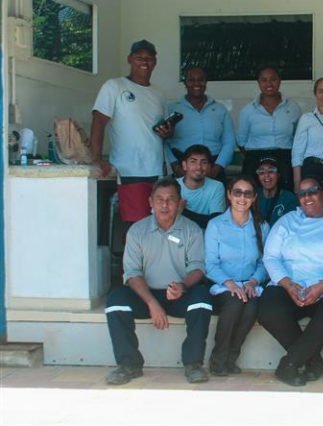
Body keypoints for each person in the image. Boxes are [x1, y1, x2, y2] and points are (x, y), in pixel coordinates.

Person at [104, 178, 211, 385]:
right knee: (116, 300)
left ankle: (193, 364)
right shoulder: (137, 231)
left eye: (171, 199)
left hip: (179, 293)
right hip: (146, 295)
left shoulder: (192, 230)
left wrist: (183, 286)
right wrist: (152, 303)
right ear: (150, 202)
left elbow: (198, 267)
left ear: (180, 202)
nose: (165, 205)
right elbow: (132, 273)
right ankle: (129, 365)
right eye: (159, 199)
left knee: (202, 299)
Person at [258, 177, 323, 387]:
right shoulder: (287, 221)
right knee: (268, 310)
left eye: (312, 191)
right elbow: (271, 257)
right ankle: (312, 360)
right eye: (302, 194)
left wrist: (322, 285)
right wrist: (287, 283)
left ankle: (290, 363)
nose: (307, 197)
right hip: (289, 286)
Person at [91, 40, 172, 223]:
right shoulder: (115, 86)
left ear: (155, 62)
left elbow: (163, 131)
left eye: (149, 58)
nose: (144, 61)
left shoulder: (160, 94)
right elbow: (98, 122)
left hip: (157, 170)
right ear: (129, 59)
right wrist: (97, 158)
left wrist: (167, 132)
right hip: (129, 170)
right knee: (135, 227)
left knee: (160, 225)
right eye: (139, 57)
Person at [205, 175, 269, 376]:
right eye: (237, 192)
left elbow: (265, 261)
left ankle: (231, 357)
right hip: (223, 285)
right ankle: (218, 356)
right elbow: (210, 264)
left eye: (247, 193)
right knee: (234, 304)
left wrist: (253, 281)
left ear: (254, 197)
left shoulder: (261, 225)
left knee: (251, 308)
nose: (242, 198)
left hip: (250, 284)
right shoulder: (216, 225)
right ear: (229, 195)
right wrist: (231, 284)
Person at [237, 66, 302, 191]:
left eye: (273, 79)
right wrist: (256, 157)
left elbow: (298, 137)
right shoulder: (248, 110)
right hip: (255, 158)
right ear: (258, 82)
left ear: (280, 81)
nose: (269, 83)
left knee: (285, 196)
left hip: (285, 158)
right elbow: (241, 141)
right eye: (264, 80)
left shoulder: (293, 107)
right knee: (252, 197)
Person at [168, 67, 235, 182]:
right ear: (185, 83)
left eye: (200, 79)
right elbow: (164, 141)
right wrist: (175, 167)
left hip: (214, 165)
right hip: (182, 167)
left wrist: (216, 168)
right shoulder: (172, 109)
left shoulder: (220, 109)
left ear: (206, 82)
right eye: (191, 80)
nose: (196, 83)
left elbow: (229, 142)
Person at [177, 145, 226, 229]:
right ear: (184, 165)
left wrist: (182, 211)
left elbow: (215, 223)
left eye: (203, 162)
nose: (198, 167)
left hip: (206, 238)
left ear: (209, 167)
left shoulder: (217, 186)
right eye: (193, 161)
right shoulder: (171, 186)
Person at [255, 156, 299, 226]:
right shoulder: (252, 196)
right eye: (261, 172)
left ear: (278, 174)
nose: (266, 175)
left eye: (271, 171)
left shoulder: (289, 198)